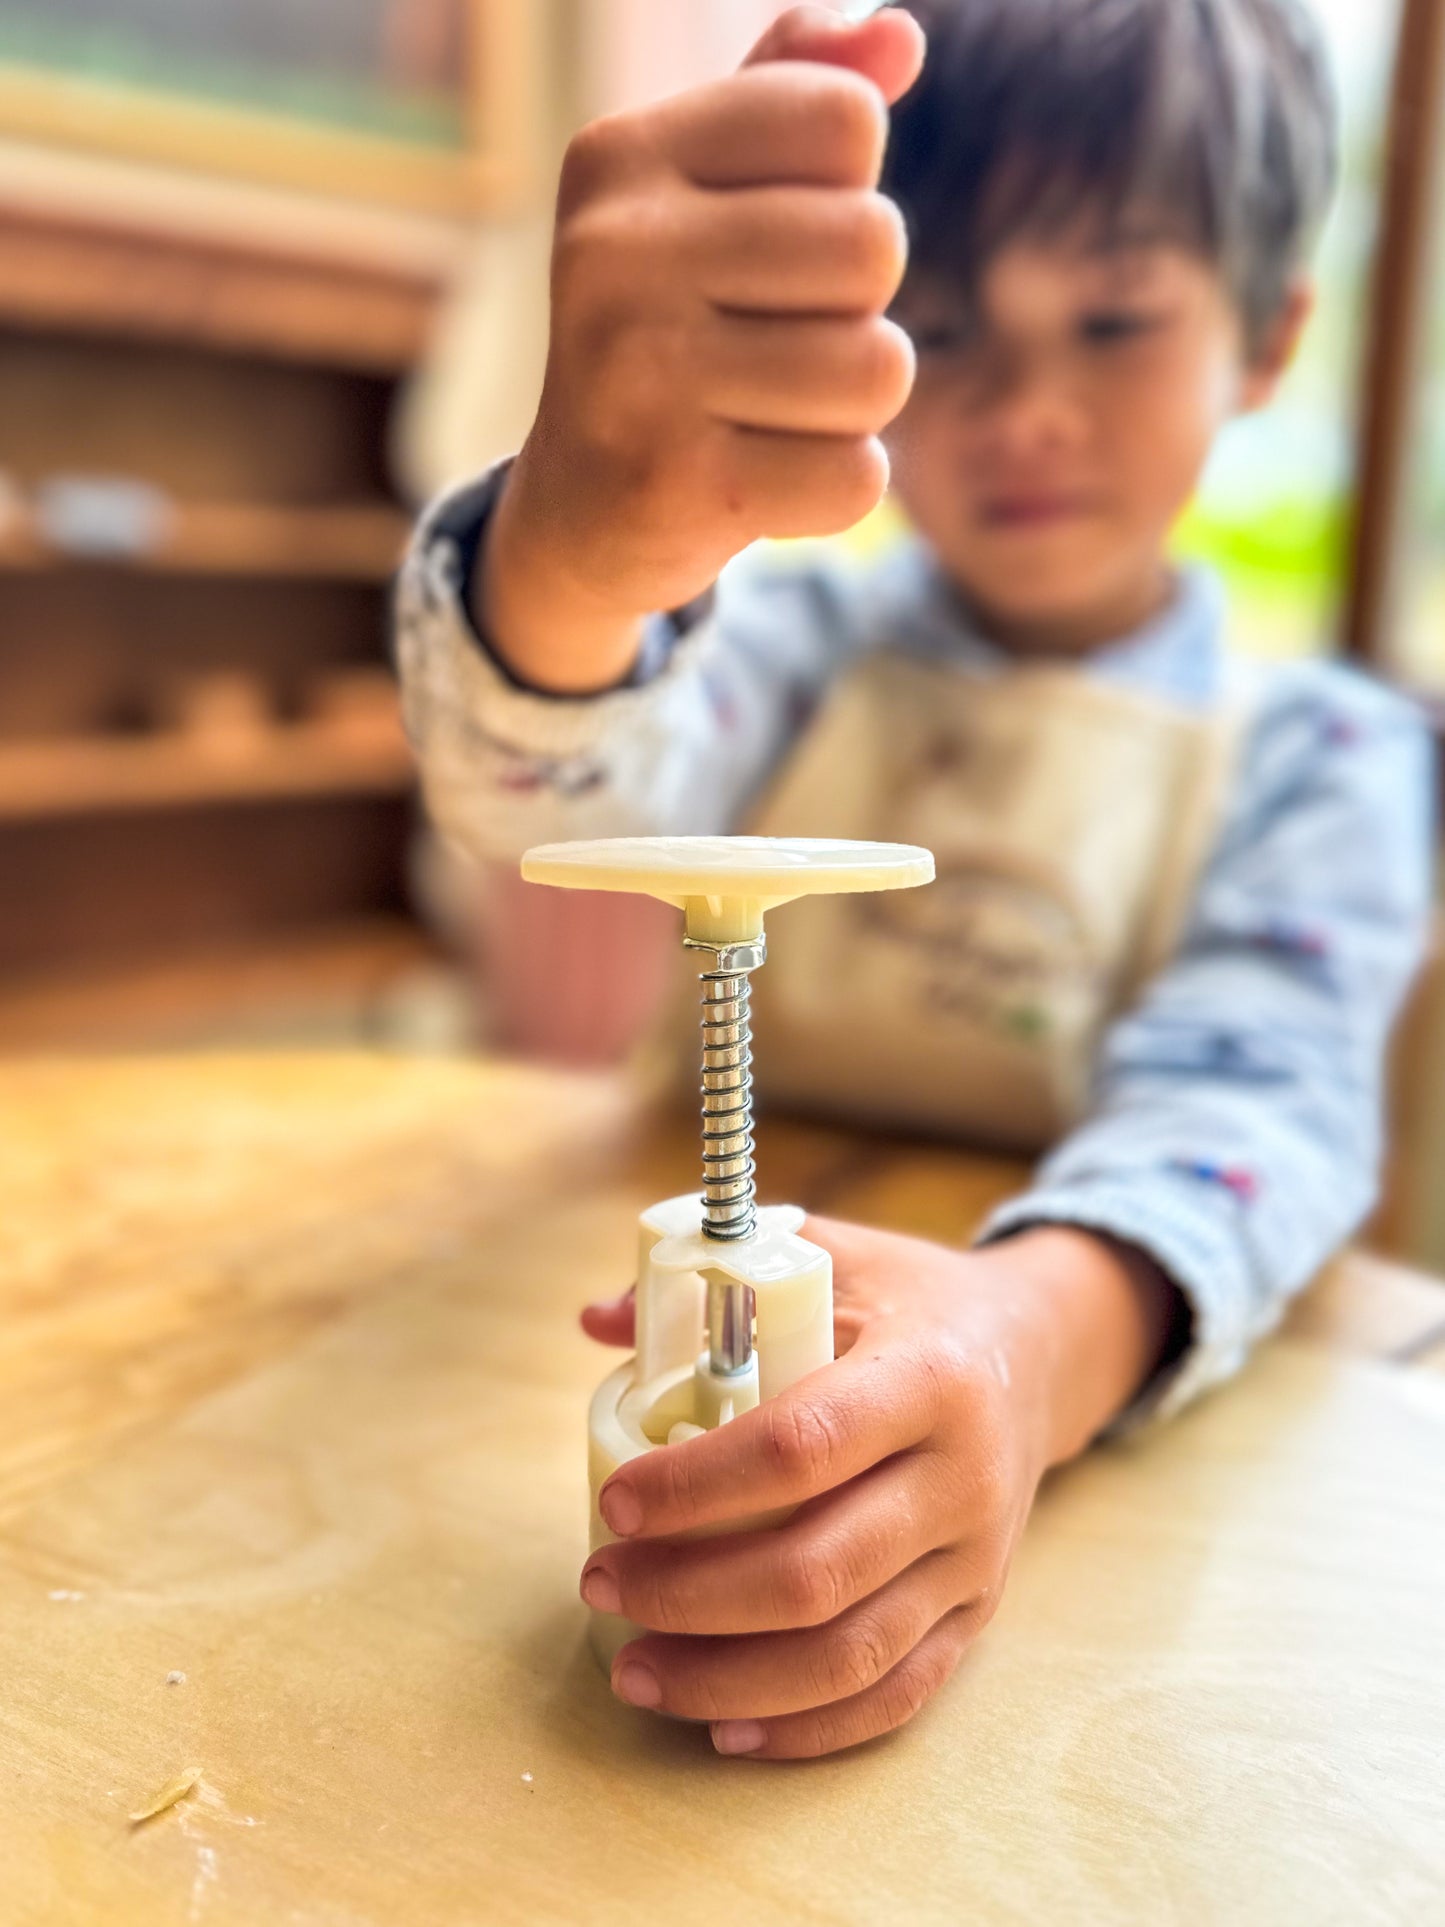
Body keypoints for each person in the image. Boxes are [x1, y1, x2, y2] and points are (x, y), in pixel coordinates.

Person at [395, 0, 1434, 1760]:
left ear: (1267, 338)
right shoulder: (789, 638)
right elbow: (552, 787)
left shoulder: (1323, 758)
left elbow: (1259, 1102)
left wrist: (1029, 1344)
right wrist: (573, 570)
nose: (1026, 410)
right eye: (938, 333)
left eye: (1111, 320)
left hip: (1097, 1446)